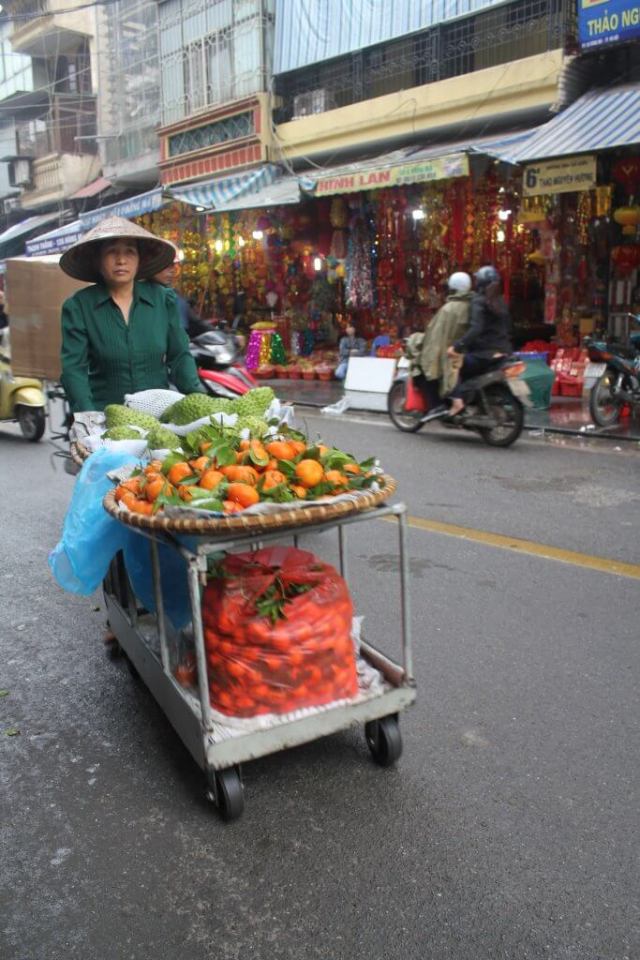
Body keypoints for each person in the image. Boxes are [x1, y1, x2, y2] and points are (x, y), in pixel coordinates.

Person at [59, 216, 204, 414]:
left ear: (139, 260)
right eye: (112, 252)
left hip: (158, 416)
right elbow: (74, 369)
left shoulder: (163, 300)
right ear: (98, 261)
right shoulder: (79, 307)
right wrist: (87, 415)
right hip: (105, 418)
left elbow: (180, 356)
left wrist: (200, 400)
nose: (121, 260)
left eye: (130, 252)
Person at [446, 265, 512, 416]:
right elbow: (509, 328)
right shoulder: (500, 301)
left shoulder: (478, 301)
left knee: (452, 363)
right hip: (503, 352)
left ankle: (457, 401)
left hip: (484, 355)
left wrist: (457, 346)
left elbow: (475, 329)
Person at [418, 271, 473, 410]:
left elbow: (434, 335)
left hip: (453, 351)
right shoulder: (472, 305)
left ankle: (444, 404)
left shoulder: (448, 309)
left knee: (430, 366)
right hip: (467, 350)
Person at [151, 260, 211, 339]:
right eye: (166, 266)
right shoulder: (146, 295)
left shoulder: (172, 295)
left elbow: (195, 322)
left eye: (172, 266)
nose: (172, 271)